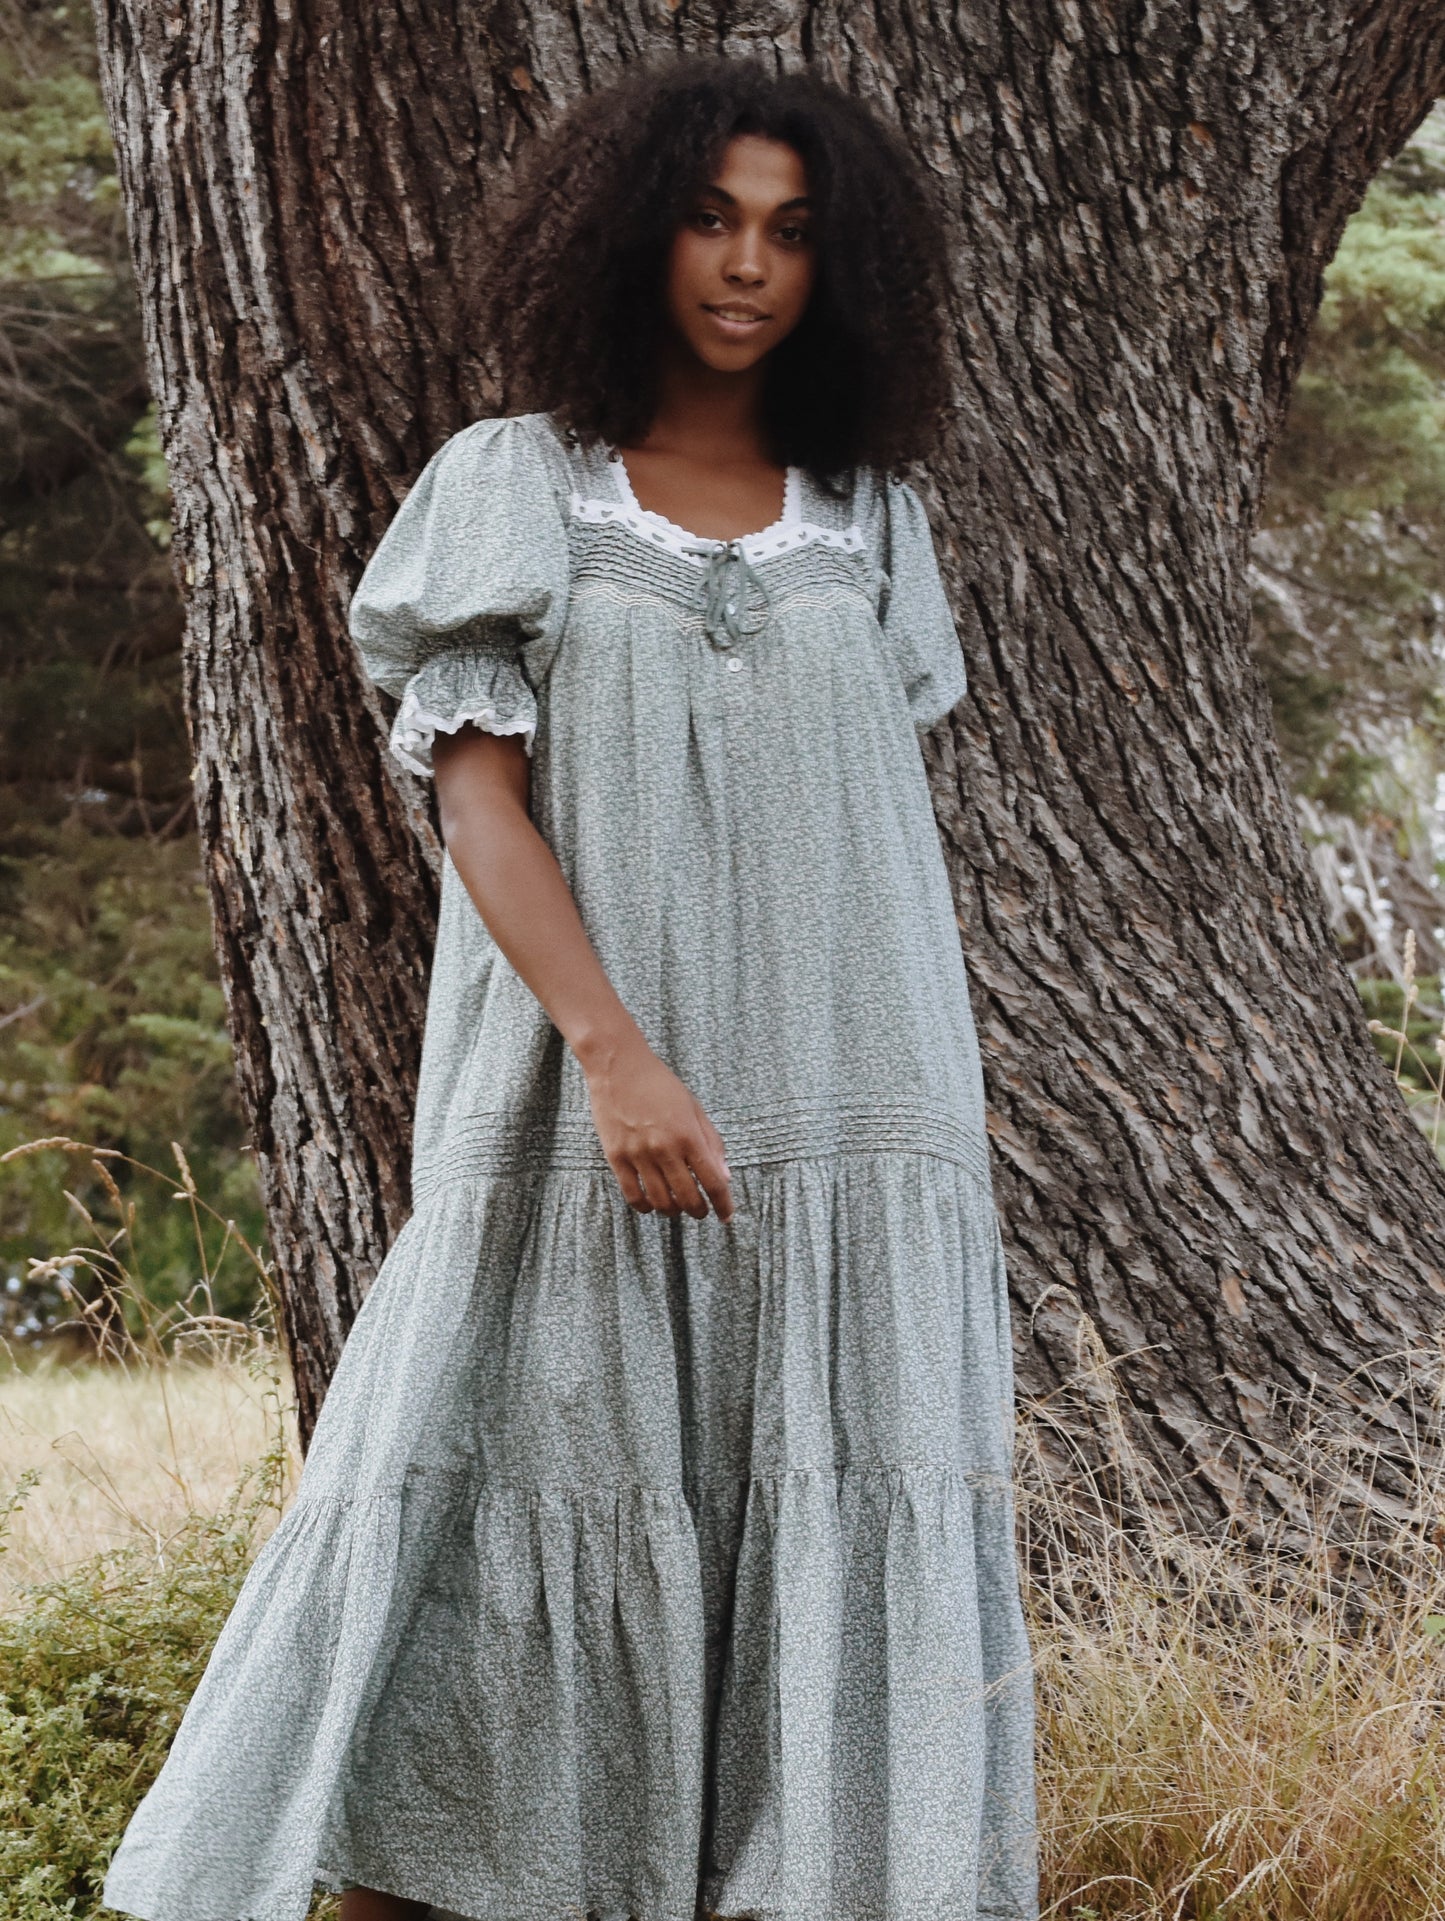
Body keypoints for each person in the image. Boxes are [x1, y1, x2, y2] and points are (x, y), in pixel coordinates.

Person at [102, 50, 1040, 1921]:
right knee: (488, 1567)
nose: (747, 266)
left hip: (856, 1123)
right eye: (708, 217)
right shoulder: (515, 484)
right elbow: (479, 799)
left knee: (815, 1578)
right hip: (570, 1105)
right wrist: (614, 1054)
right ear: (629, 230)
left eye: (788, 230)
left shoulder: (871, 520)